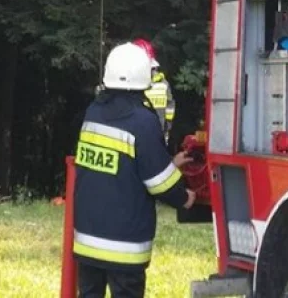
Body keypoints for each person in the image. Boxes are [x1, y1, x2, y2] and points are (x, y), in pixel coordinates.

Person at [72, 41, 196, 298]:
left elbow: (121, 169)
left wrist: (170, 163)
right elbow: (159, 183)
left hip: (87, 239)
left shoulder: (93, 112)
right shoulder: (143, 120)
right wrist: (184, 197)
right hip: (124, 244)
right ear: (144, 78)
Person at [132, 39, 176, 141]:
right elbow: (170, 107)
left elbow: (170, 109)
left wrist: (167, 127)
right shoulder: (163, 84)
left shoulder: (132, 86)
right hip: (154, 137)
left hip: (148, 137)